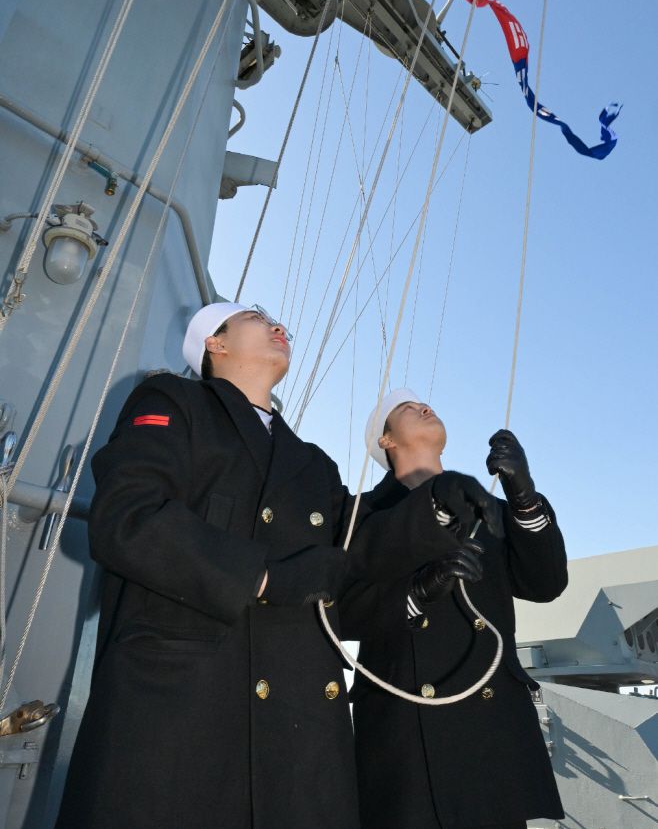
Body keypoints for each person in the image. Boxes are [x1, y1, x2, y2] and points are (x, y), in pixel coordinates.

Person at [55, 306, 475, 829]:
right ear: (216, 343)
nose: (279, 325)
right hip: (187, 714)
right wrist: (264, 578)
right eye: (256, 316)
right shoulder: (173, 402)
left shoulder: (313, 462)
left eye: (279, 321)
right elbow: (128, 516)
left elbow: (358, 541)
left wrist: (435, 506)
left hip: (299, 737)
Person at [340, 388, 567, 829]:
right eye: (405, 409)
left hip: (489, 722)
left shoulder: (494, 510)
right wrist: (417, 592)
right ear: (385, 441)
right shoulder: (360, 515)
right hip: (408, 722)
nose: (424, 405)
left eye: (425, 401)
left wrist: (524, 494)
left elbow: (546, 584)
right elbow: (342, 608)